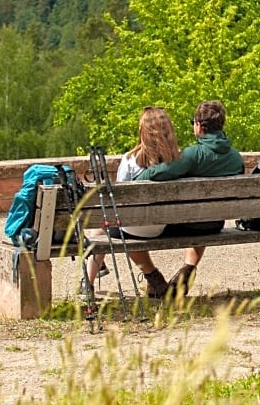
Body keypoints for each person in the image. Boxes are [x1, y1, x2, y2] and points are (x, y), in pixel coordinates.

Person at [136, 100, 244, 297]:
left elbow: (157, 174)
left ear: (199, 126)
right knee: (204, 213)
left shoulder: (193, 154)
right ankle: (187, 270)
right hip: (214, 223)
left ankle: (154, 279)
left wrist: (139, 177)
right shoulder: (235, 157)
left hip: (188, 223)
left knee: (193, 214)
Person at [85, 107, 181, 298]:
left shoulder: (130, 160)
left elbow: (119, 199)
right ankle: (154, 280)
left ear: (142, 131)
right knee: (121, 226)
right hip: (164, 225)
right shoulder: (179, 158)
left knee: (99, 230)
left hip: (134, 227)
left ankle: (88, 284)